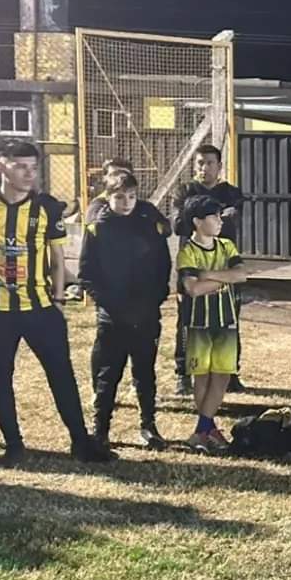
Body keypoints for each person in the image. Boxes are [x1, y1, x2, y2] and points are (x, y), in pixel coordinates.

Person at [0, 141, 112, 463]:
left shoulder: (47, 208)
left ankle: (81, 442)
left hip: (40, 308)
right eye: (21, 166)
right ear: (1, 165)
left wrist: (58, 300)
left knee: (61, 374)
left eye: (33, 168)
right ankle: (14, 446)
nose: (29, 174)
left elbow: (57, 258)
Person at [79, 171, 172, 450]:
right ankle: (100, 430)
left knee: (145, 372)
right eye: (119, 197)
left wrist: (155, 299)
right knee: (108, 374)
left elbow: (163, 266)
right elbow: (87, 274)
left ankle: (148, 426)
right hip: (113, 316)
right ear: (107, 197)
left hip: (145, 314)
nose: (126, 202)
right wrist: (108, 305)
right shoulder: (98, 228)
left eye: (131, 196)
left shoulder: (149, 222)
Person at [175, 195, 248, 452]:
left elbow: (242, 274)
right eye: (214, 216)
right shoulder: (187, 252)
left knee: (222, 376)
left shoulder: (226, 246)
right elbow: (193, 289)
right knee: (202, 378)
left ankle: (202, 431)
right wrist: (225, 278)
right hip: (199, 324)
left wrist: (208, 275)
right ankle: (208, 429)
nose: (220, 220)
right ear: (197, 221)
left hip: (226, 321)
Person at [172, 145, 246, 395]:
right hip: (193, 266)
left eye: (210, 163)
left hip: (223, 266)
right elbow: (178, 225)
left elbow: (230, 225)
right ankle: (183, 374)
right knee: (187, 321)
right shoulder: (184, 191)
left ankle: (230, 372)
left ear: (219, 166)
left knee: (228, 319)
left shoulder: (232, 193)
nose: (204, 168)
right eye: (200, 163)